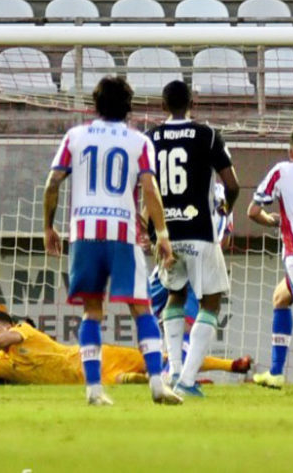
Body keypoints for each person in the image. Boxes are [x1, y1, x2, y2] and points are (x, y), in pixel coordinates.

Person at [43, 76, 181, 406]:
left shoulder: (75, 136)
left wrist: (48, 227)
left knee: (92, 311)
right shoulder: (139, 142)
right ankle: (158, 385)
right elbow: (150, 191)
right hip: (122, 234)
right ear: (129, 107)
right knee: (141, 308)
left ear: (96, 105)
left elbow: (52, 183)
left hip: (84, 234)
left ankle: (93, 390)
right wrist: (162, 235)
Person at [147, 80, 240, 398]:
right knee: (210, 301)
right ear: (192, 103)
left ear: (162, 105)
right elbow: (233, 184)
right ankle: (186, 380)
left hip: (167, 235)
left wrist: (154, 234)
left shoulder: (151, 138)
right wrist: (226, 210)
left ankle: (174, 371)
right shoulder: (207, 135)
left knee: (174, 295)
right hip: (200, 230)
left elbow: (146, 191)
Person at [0, 312, 251, 383]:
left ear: (7, 326)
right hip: (87, 381)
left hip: (94, 358)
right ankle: (186, 382)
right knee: (132, 382)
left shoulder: (23, 332)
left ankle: (229, 365)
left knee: (160, 358)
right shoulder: (2, 363)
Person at [248, 128, 293, 388]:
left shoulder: (282, 170)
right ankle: (276, 372)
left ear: (292, 151)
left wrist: (271, 221)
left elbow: (253, 211)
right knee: (280, 299)